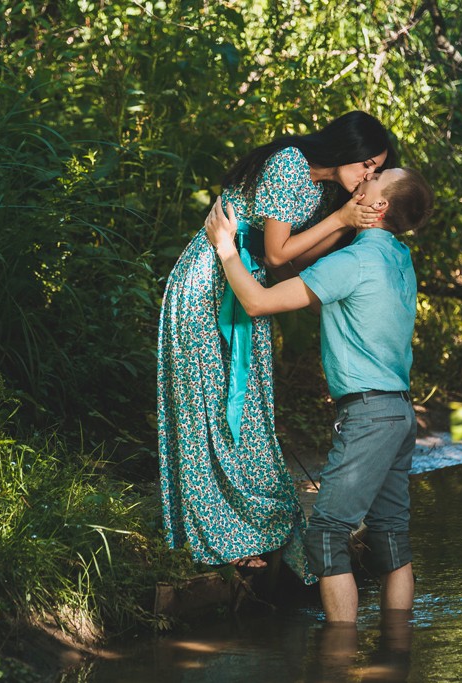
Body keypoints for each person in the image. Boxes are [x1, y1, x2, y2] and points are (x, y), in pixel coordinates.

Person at [158, 112, 396, 579]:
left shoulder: (318, 187)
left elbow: (291, 258)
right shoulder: (291, 164)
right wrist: (341, 218)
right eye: (367, 163)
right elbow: (276, 253)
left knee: (246, 410)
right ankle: (222, 536)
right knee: (208, 407)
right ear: (345, 148)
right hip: (210, 283)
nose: (369, 175)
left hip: (244, 286)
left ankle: (246, 528)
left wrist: (326, 285)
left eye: (376, 169)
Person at [204, 166, 434, 621]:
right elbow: (302, 273)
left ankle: (338, 659)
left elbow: (256, 302)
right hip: (399, 413)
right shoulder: (399, 257)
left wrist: (226, 247)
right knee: (392, 537)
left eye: (375, 178)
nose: (363, 180)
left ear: (379, 205)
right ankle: (396, 652)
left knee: (326, 534)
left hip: (370, 417)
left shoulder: (354, 263)